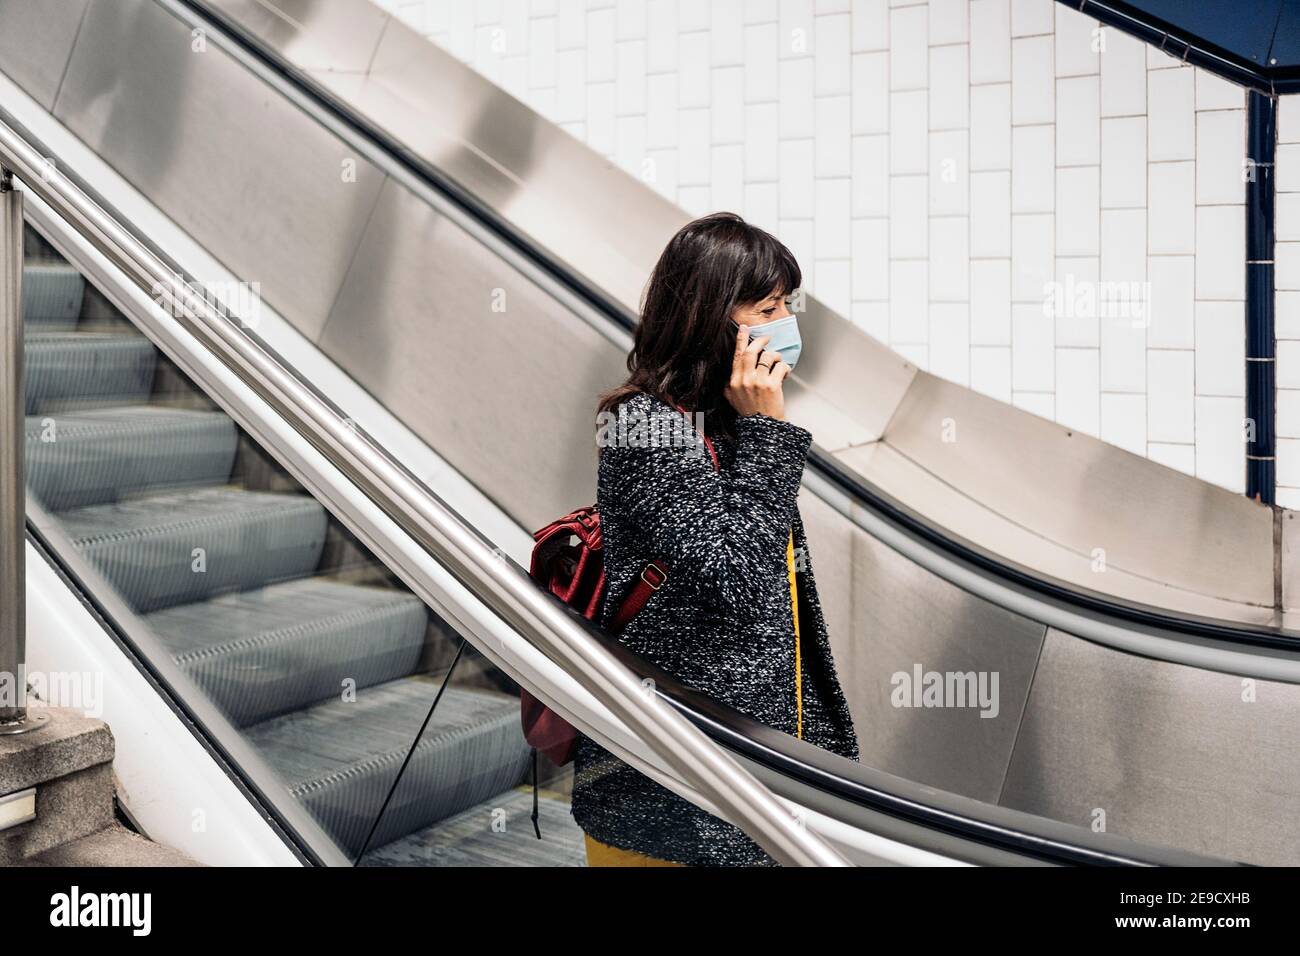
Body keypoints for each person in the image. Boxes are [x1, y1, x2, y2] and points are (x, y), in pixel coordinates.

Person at [573, 211, 860, 867]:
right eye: (768, 307)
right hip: (671, 795)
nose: (786, 324)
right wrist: (768, 431)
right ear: (711, 316)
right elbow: (736, 570)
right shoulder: (643, 426)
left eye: (787, 304)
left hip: (750, 774)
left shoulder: (730, 428)